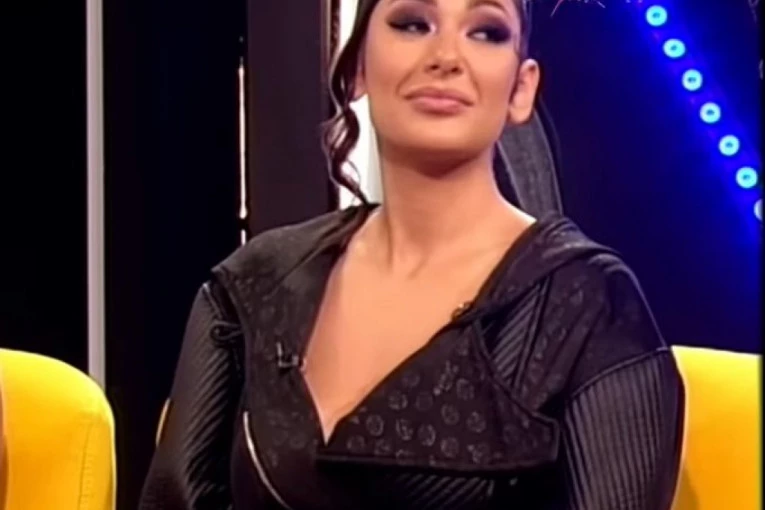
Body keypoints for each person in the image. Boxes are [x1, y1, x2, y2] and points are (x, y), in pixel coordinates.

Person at [139, 0, 685, 508]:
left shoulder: (588, 307)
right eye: (412, 24)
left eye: (485, 32)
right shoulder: (251, 288)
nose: (446, 57)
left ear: (521, 89)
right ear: (356, 65)